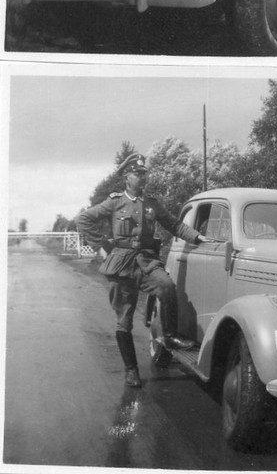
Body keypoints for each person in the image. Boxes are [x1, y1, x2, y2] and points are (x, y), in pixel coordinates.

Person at [77, 153, 206, 388]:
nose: (142, 177)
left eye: (144, 173)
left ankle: (168, 336)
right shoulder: (115, 202)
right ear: (127, 177)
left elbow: (174, 225)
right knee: (124, 320)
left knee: (167, 288)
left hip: (146, 261)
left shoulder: (152, 204)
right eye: (138, 174)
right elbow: (84, 219)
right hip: (121, 264)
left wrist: (197, 236)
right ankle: (131, 370)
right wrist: (102, 247)